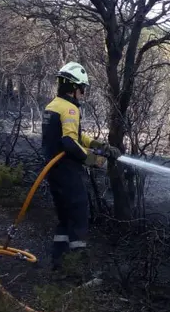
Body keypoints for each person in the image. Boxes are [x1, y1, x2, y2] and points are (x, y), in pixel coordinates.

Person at [42, 61, 121, 271]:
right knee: (78, 217)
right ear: (73, 87)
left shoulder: (53, 106)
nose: (83, 93)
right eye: (82, 88)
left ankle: (58, 264)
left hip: (54, 173)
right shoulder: (69, 109)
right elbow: (68, 143)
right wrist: (92, 159)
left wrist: (96, 145)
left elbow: (73, 135)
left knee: (64, 219)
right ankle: (79, 273)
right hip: (67, 172)